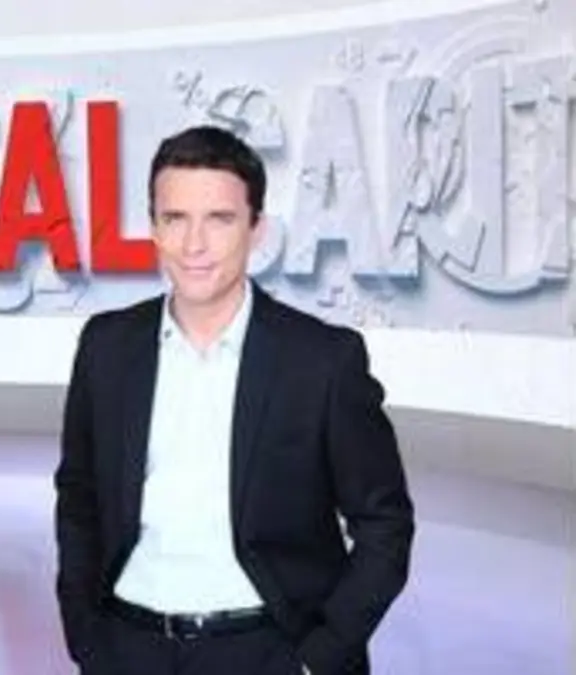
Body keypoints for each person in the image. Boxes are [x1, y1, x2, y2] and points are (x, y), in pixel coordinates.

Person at [53, 126, 414, 675]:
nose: (193, 244)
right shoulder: (106, 346)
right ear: (154, 228)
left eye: (219, 219)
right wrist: (86, 637)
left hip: (267, 650)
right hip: (129, 648)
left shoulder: (322, 361)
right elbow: (78, 498)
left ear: (256, 229)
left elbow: (385, 526)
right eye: (175, 218)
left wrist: (317, 659)